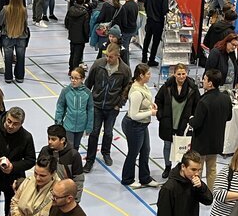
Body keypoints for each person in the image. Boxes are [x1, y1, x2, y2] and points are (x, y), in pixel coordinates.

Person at [84, 43, 133, 171]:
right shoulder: (98, 64)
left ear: (118, 56)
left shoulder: (125, 70)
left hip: (112, 107)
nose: (108, 59)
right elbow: (88, 83)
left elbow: (127, 89)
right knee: (94, 132)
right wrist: (86, 100)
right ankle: (90, 160)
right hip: (96, 105)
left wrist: (119, 104)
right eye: (107, 56)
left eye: (111, 57)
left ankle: (106, 153)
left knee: (108, 132)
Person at [188, 68, 233, 189]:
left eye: (204, 79)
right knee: (212, 169)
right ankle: (211, 193)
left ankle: (197, 192)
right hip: (216, 141)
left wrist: (190, 119)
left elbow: (196, 123)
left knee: (198, 169)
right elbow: (229, 117)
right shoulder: (225, 98)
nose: (203, 81)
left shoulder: (204, 101)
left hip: (202, 142)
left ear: (210, 83)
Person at [155, 63, 200, 178]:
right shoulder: (166, 87)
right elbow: (158, 100)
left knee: (183, 149)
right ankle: (167, 166)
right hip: (168, 122)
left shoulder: (193, 88)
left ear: (187, 73)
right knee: (167, 146)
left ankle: (181, 168)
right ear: (174, 74)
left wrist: (193, 120)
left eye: (183, 74)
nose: (181, 76)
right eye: (179, 74)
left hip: (184, 124)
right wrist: (160, 116)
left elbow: (197, 105)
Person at [121, 63, 160, 188]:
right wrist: (151, 112)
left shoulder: (143, 86)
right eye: (148, 74)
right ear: (141, 75)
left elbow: (145, 101)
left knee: (145, 150)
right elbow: (133, 115)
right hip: (133, 125)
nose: (150, 76)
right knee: (134, 152)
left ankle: (145, 178)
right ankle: (127, 178)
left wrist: (151, 105)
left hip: (142, 125)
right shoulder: (136, 92)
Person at [38, 124, 86, 201]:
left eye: (53, 139)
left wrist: (75, 200)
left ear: (62, 140)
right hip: (45, 195)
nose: (49, 142)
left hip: (63, 197)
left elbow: (78, 180)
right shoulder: (44, 151)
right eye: (49, 138)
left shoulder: (73, 155)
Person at [55, 66, 94, 151]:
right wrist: (58, 122)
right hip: (68, 125)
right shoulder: (66, 91)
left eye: (76, 78)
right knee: (69, 146)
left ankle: (74, 162)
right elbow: (60, 106)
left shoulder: (87, 93)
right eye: (71, 78)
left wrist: (89, 126)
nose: (73, 80)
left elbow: (90, 110)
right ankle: (68, 163)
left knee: (76, 146)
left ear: (82, 79)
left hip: (81, 126)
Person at [0, 0, 30, 84]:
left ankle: (8, 77)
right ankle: (20, 77)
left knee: (8, 58)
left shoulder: (5, 9)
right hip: (21, 37)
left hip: (8, 37)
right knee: (21, 58)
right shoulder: (24, 10)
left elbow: (0, 21)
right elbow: (25, 23)